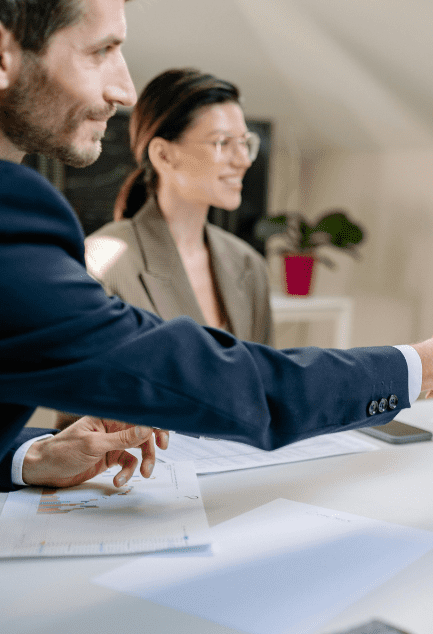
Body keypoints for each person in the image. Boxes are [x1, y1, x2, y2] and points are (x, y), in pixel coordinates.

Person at [0, 0, 433, 626]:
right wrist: (424, 364)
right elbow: (224, 379)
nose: (124, 87)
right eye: (102, 50)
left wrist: (30, 457)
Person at [55, 67, 273, 430]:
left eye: (245, 142)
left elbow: (266, 389)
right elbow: (77, 418)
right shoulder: (102, 259)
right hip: (138, 473)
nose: (244, 159)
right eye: (222, 143)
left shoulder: (249, 264)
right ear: (164, 155)